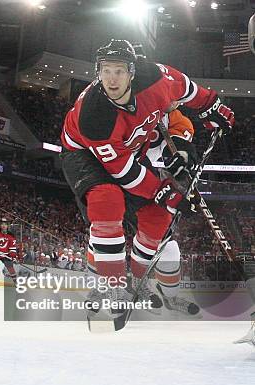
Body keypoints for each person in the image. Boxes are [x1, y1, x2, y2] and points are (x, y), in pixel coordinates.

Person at [60, 39, 234, 317]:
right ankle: (109, 284)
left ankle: (139, 284)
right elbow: (124, 173)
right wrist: (163, 190)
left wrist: (211, 105)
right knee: (107, 203)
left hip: (133, 156)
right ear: (97, 72)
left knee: (158, 220)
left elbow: (186, 88)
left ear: (133, 71)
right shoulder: (94, 116)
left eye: (119, 71)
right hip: (87, 156)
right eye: (106, 71)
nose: (112, 79)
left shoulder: (156, 80)